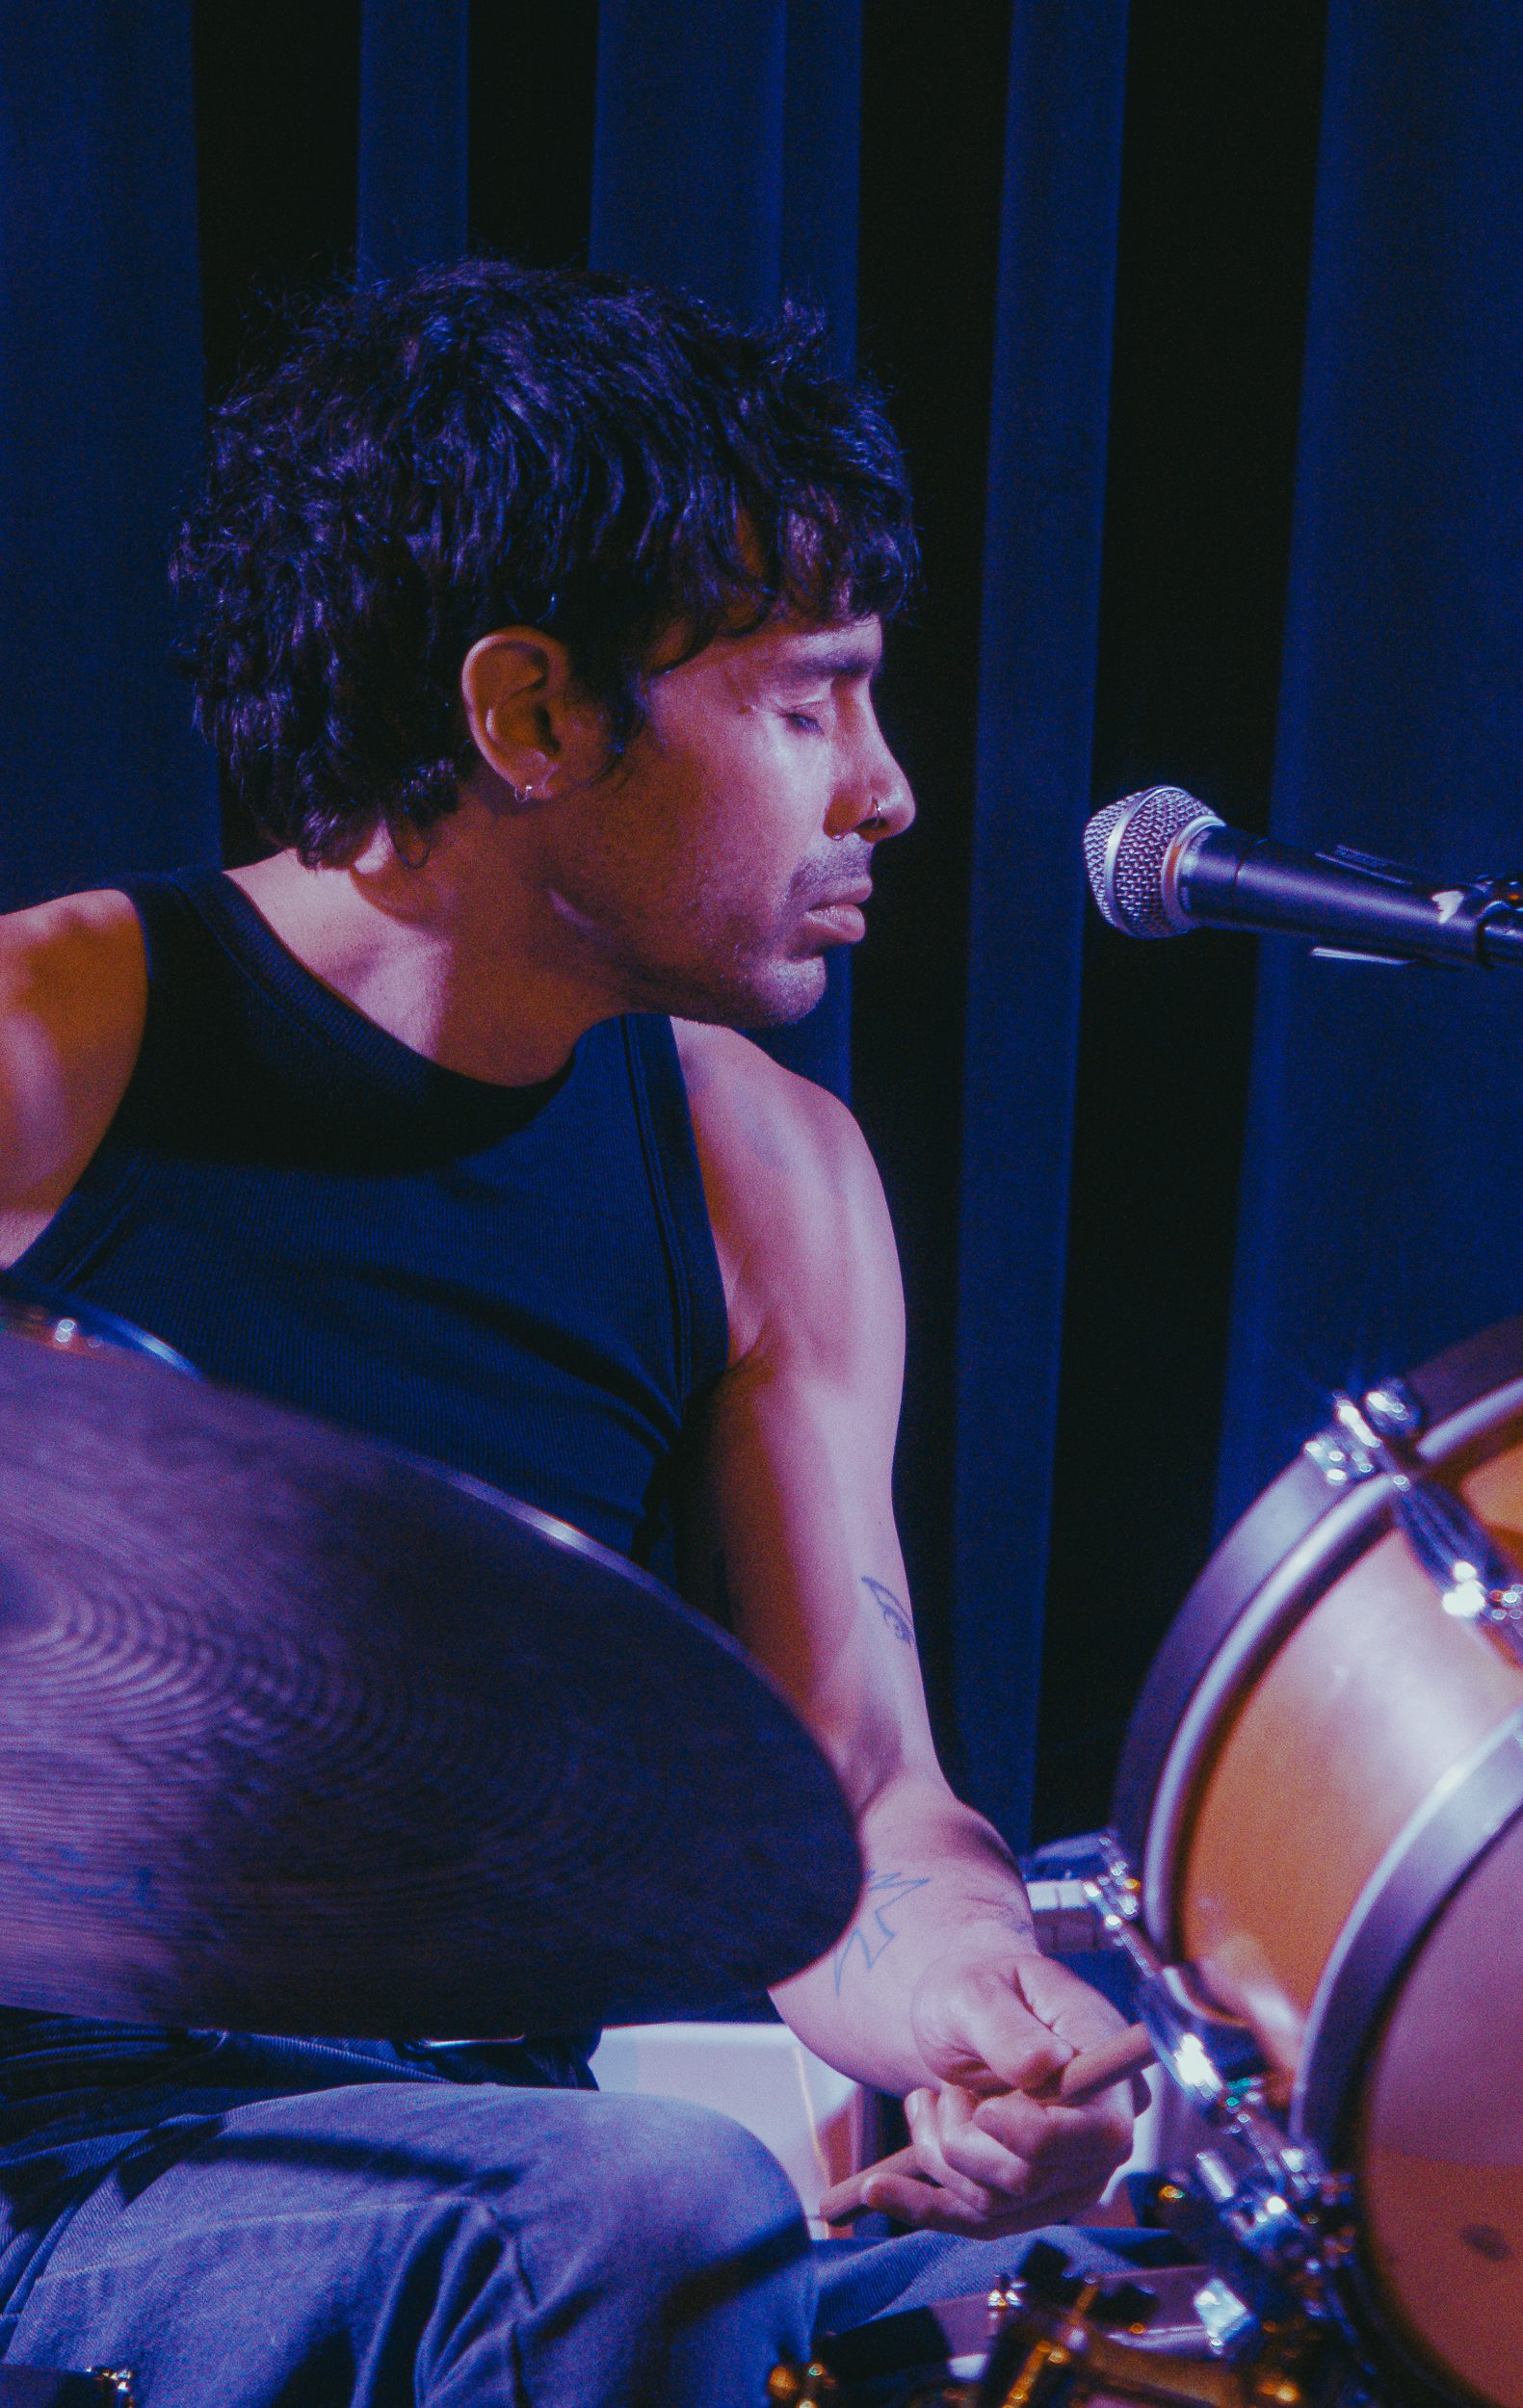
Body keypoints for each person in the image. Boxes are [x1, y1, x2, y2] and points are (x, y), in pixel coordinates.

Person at [0, 262, 1144, 2404]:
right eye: (809, 703)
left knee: (1144, 2295)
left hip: (472, 2162)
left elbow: (861, 1800)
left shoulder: (762, 1175)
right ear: (528, 715)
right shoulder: (48, 1048)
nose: (884, 786)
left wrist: (986, 1997)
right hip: (55, 2164)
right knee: (655, 2207)